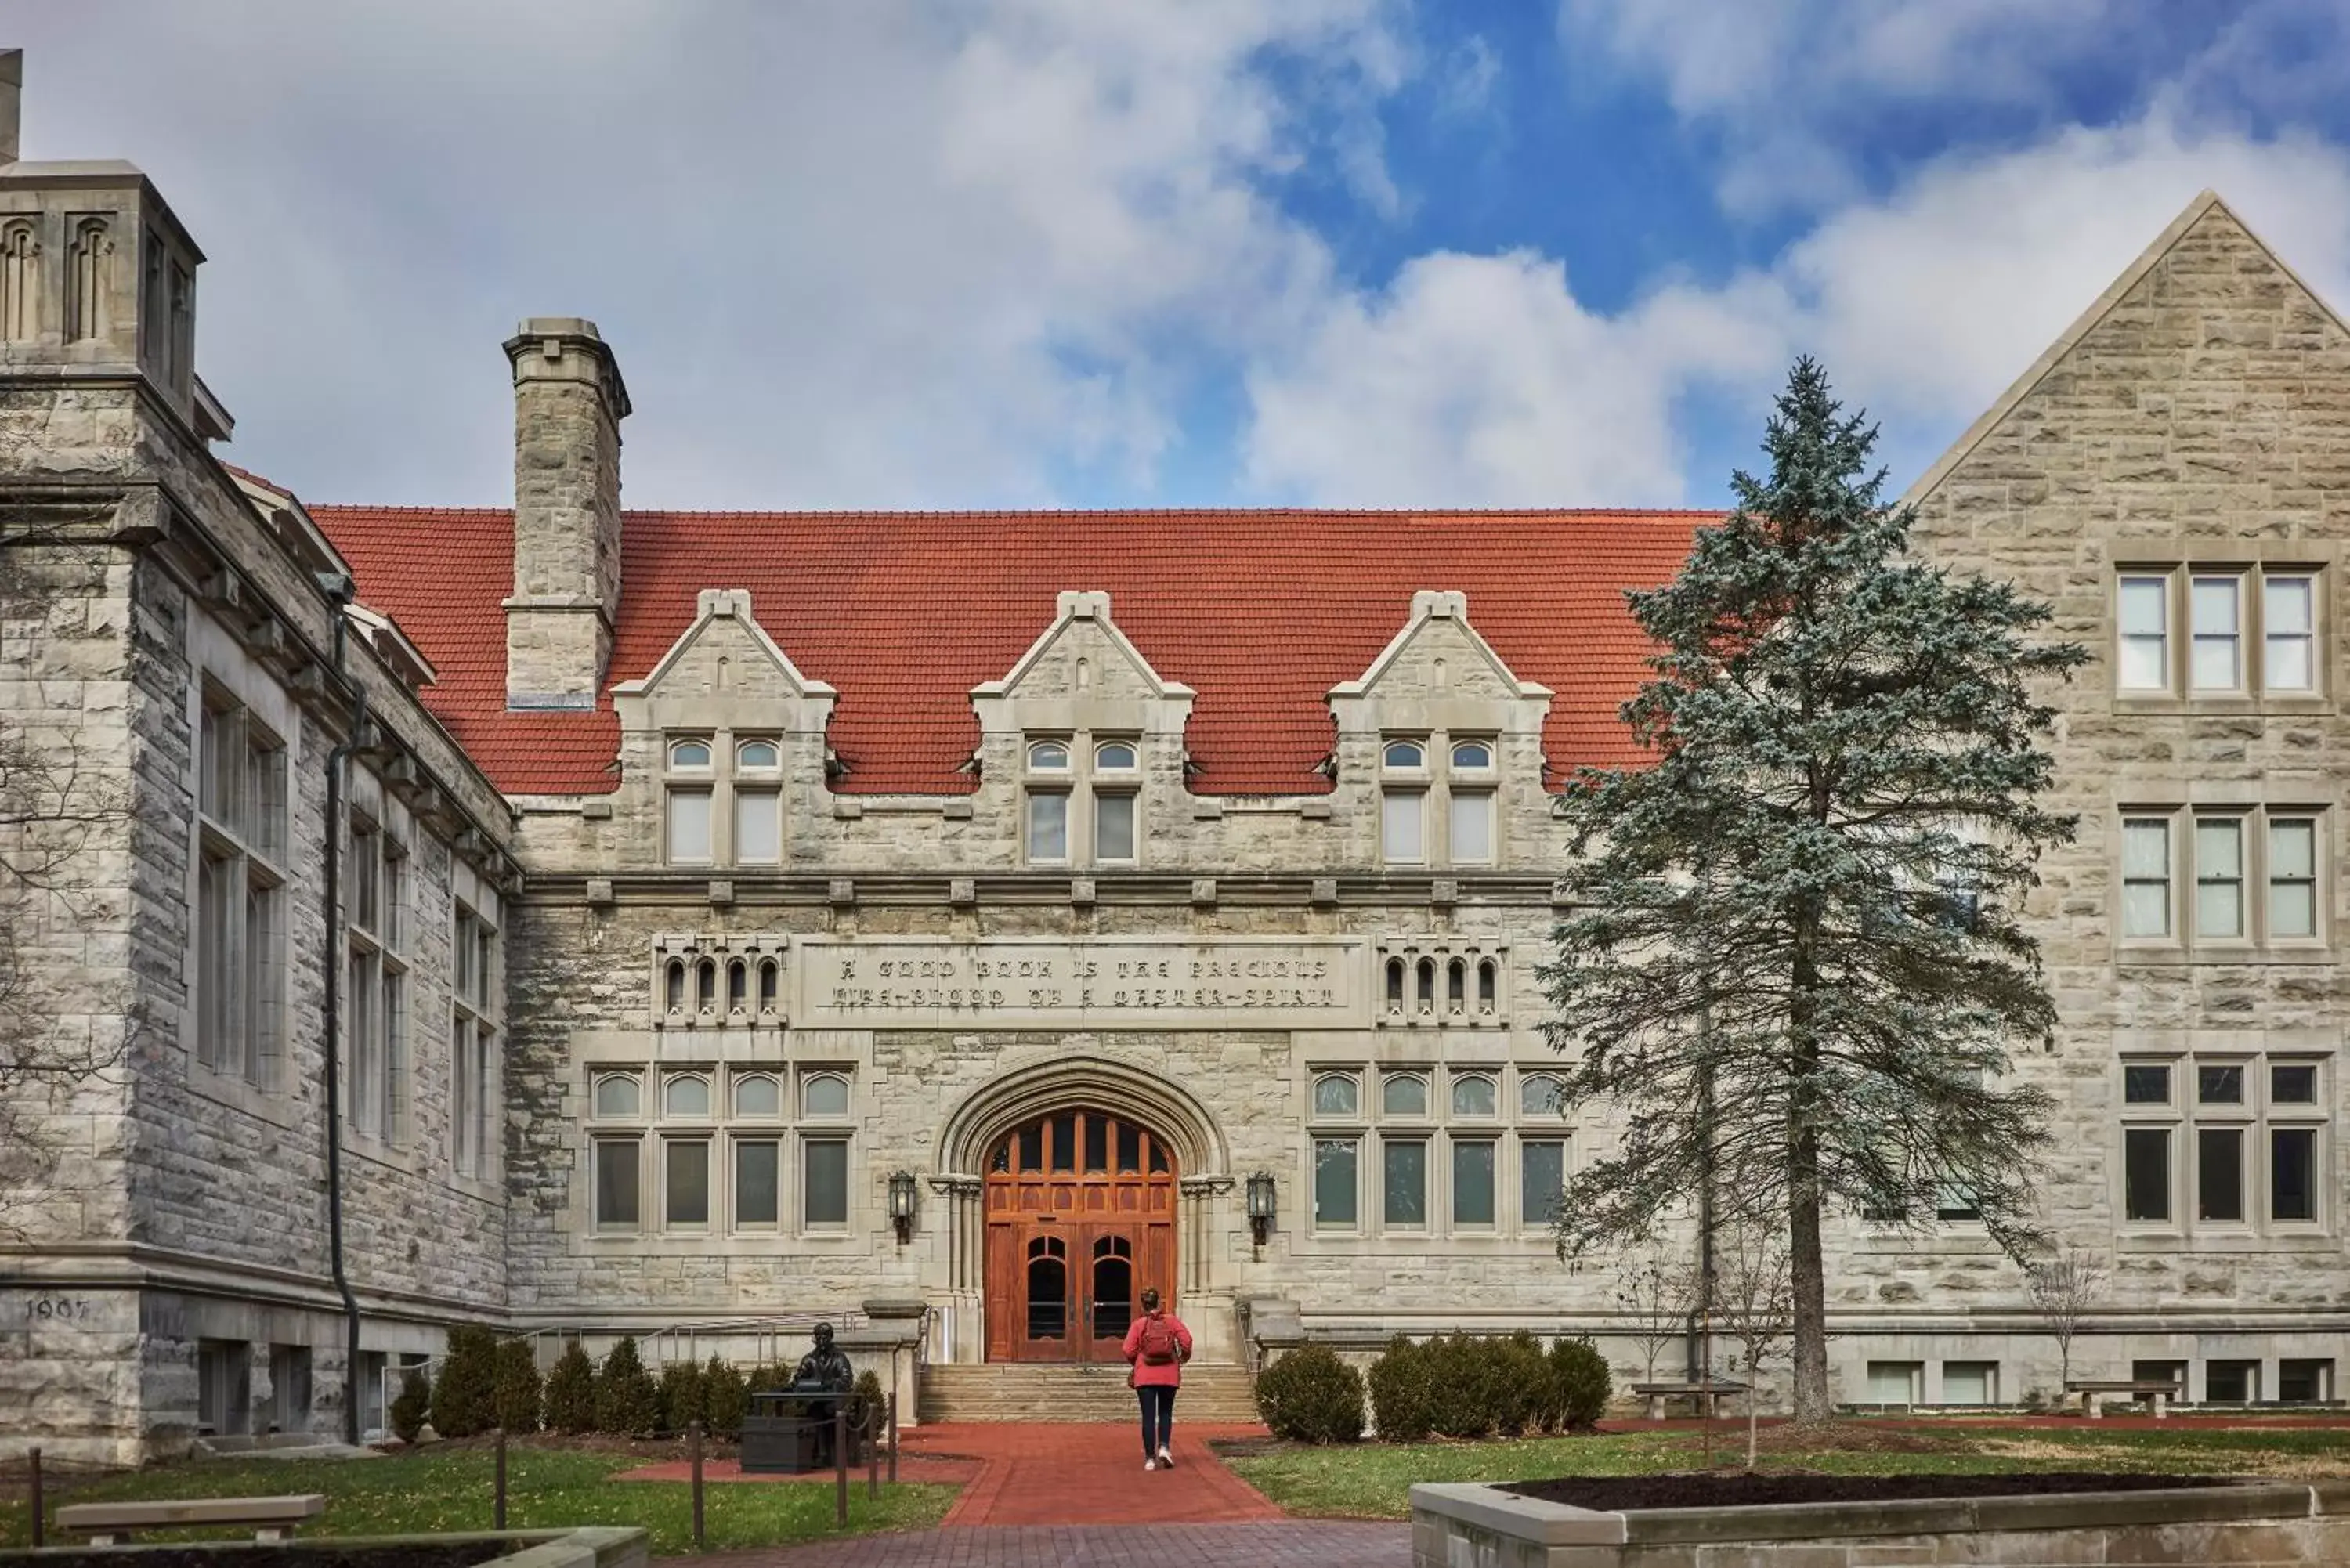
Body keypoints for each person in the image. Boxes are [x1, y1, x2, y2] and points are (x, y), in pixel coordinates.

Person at [1121, 1286, 1192, 1471]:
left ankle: (1150, 1459)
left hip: (1145, 1375)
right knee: (1166, 1413)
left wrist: (1136, 1362)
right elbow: (1187, 1341)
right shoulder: (1171, 1321)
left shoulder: (1139, 1324)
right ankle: (1164, 1447)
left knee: (1148, 1417)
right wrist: (1184, 1356)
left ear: (1143, 1305)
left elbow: (1128, 1349)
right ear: (1159, 1302)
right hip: (1169, 1374)